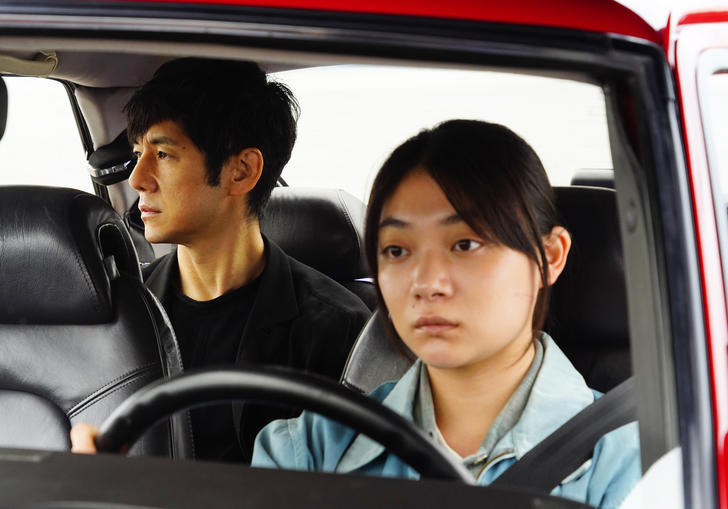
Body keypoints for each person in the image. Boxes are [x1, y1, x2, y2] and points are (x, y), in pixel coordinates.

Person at [251, 120, 640, 508]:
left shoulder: (632, 464)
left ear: (549, 257)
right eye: (397, 251)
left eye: (466, 244)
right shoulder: (306, 450)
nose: (426, 283)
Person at [71, 58, 370, 463]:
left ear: (241, 171)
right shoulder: (122, 312)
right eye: (139, 153)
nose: (137, 178)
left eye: (163, 154)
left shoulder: (336, 326)